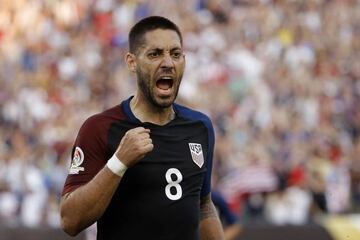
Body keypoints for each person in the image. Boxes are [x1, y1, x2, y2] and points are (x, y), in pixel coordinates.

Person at [60, 16, 225, 240]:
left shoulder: (200, 126)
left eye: (175, 54)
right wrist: (118, 163)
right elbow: (70, 221)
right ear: (132, 62)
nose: (167, 63)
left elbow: (203, 204)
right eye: (155, 54)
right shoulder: (100, 128)